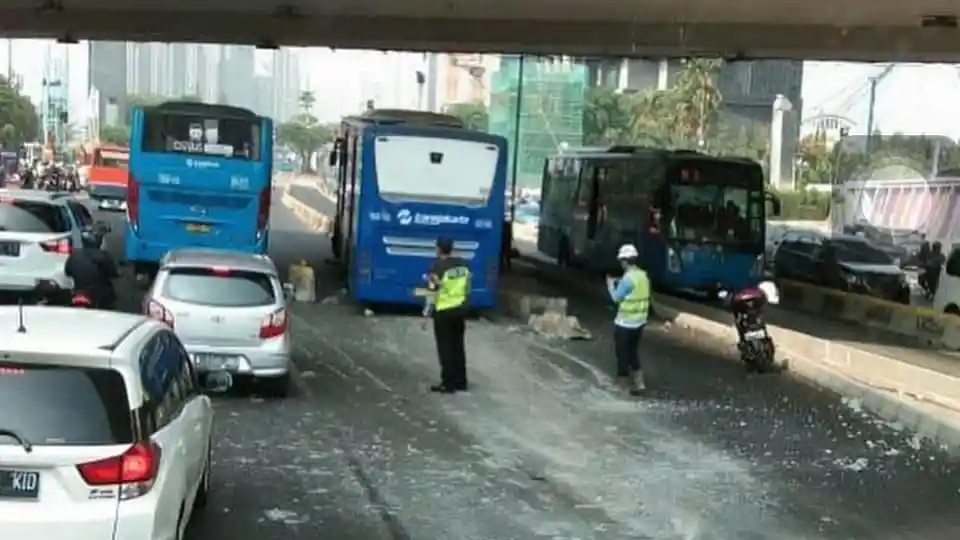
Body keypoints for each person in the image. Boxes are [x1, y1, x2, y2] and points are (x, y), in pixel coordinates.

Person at [425, 237, 471, 393]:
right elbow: (468, 287)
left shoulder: (436, 268)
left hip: (444, 311)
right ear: (451, 249)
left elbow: (432, 291)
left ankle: (447, 383)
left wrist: (426, 314)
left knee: (445, 347)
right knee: (458, 346)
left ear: (438, 249)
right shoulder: (463, 265)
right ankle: (461, 381)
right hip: (460, 309)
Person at [605, 243, 651, 396]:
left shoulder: (627, 280)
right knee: (633, 352)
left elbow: (616, 298)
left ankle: (622, 383)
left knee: (622, 353)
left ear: (624, 261)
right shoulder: (642, 276)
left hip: (625, 323)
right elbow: (634, 289)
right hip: (640, 322)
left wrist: (610, 285)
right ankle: (639, 383)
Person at [64, 226, 119, 309]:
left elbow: (67, 272)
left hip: (78, 290)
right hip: (97, 292)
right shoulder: (103, 255)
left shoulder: (74, 255)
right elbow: (113, 272)